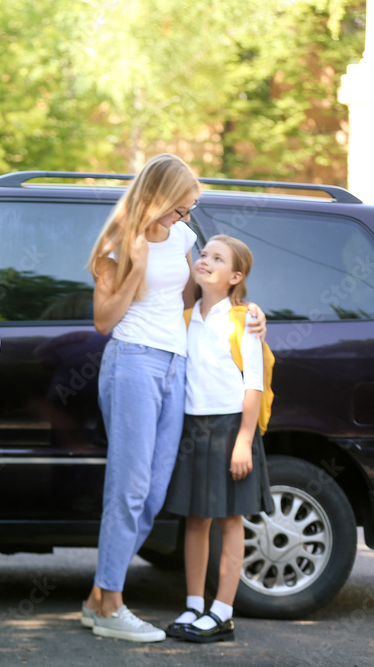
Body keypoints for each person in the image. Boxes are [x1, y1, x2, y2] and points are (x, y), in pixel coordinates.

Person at [83, 154, 265, 642]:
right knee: (130, 487)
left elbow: (197, 298)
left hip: (176, 363)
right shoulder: (116, 245)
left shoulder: (183, 238)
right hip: (133, 361)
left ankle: (97, 597)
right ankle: (112, 605)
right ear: (157, 198)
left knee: (155, 490)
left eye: (188, 211)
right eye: (178, 209)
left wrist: (246, 310)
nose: (184, 220)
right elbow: (104, 321)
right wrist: (136, 268)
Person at [162, 235, 274, 643]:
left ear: (235, 276)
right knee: (195, 519)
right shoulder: (187, 317)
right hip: (194, 429)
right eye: (204, 254)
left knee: (230, 520)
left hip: (231, 429)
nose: (205, 260)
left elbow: (254, 386)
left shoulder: (243, 319)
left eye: (217, 258)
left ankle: (223, 611)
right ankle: (194, 604)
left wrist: (244, 440)